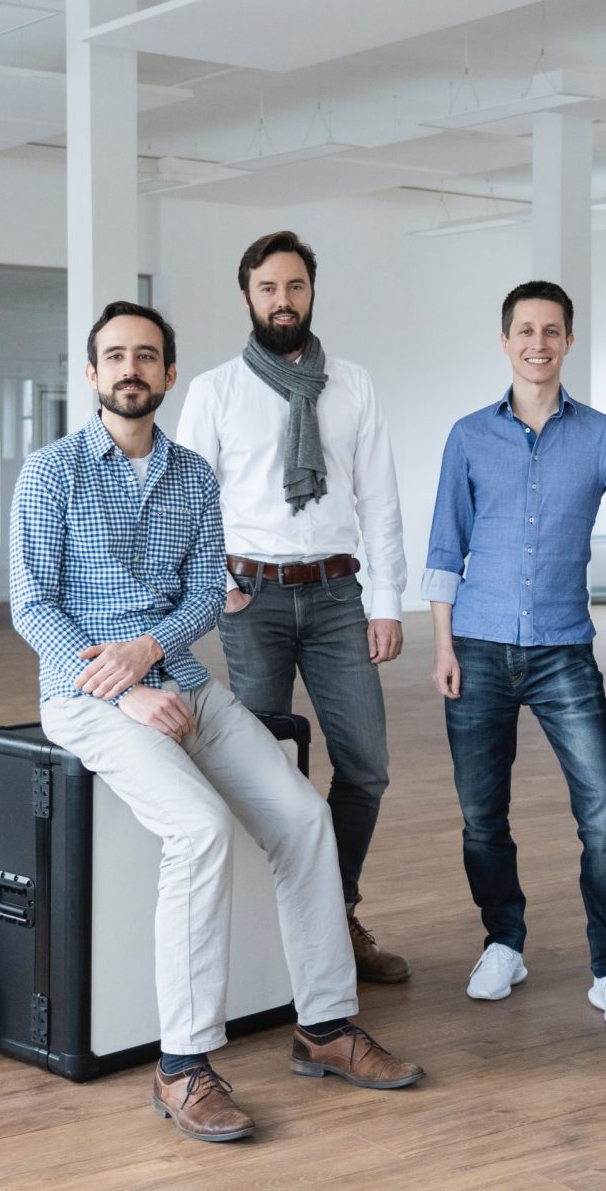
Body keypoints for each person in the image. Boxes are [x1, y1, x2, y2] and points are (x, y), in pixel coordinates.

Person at [10, 301, 423, 1144]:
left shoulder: (196, 476)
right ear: (90, 375)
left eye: (147, 356)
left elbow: (206, 592)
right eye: (114, 356)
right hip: (85, 698)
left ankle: (326, 1028)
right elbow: (32, 605)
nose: (131, 369)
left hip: (187, 684)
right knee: (197, 830)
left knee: (306, 820)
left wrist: (151, 652)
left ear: (168, 374)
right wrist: (120, 685)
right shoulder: (50, 473)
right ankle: (183, 1066)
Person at [423, 280, 606, 1028]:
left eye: (552, 331)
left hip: (562, 653)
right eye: (525, 330)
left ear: (568, 342)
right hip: (478, 647)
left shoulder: (601, 436)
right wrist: (443, 644)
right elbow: (444, 547)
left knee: (602, 813)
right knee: (482, 816)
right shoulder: (468, 436)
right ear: (506, 340)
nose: (538, 344)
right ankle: (503, 941)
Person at [177, 231, 409, 984]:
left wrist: (388, 603)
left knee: (365, 767)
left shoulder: (354, 384)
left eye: (296, 286)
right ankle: (265, 938)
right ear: (247, 296)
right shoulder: (214, 391)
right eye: (269, 288)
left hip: (341, 596)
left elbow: (379, 499)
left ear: (313, 291)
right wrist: (223, 585)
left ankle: (333, 916)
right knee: (261, 769)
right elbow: (188, 506)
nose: (284, 301)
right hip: (256, 601)